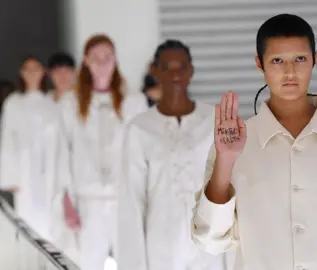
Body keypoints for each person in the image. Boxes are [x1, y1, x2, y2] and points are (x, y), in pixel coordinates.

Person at [191, 14, 317, 270]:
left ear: (315, 60)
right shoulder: (235, 144)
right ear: (259, 64)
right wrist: (226, 161)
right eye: (277, 61)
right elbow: (209, 240)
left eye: (300, 59)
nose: (290, 72)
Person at [117, 40, 227, 270]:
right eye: (167, 67)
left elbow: (230, 187)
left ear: (191, 71)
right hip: (160, 246)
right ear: (155, 71)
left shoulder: (215, 120)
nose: (175, 75)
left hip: (209, 244)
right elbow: (132, 202)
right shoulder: (139, 128)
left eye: (181, 67)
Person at [50, 34, 148, 270]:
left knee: (132, 262)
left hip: (124, 199)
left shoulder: (134, 102)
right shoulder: (70, 104)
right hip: (88, 200)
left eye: (107, 57)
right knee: (88, 263)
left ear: (115, 60)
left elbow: (142, 152)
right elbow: (63, 151)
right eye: (96, 57)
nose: (102, 62)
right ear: (86, 61)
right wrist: (67, 200)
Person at [0, 56, 57, 240]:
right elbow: (8, 139)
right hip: (25, 171)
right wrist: (10, 177)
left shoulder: (52, 101)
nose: (33, 73)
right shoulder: (14, 102)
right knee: (28, 217)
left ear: (43, 72)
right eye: (28, 69)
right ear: (22, 73)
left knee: (52, 217)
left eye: (37, 68)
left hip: (50, 167)